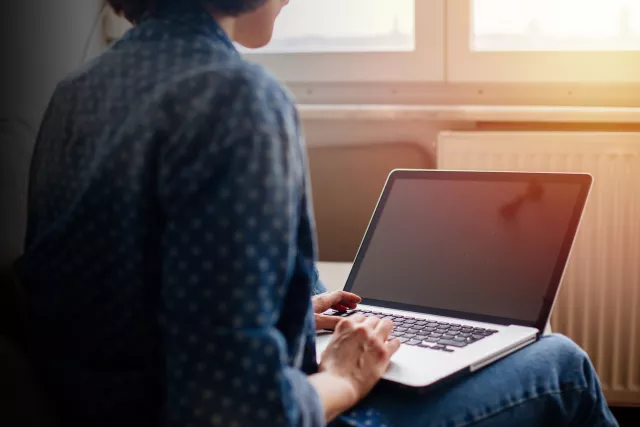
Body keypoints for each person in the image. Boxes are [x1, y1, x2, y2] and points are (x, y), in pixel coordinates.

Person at [15, 0, 618, 426]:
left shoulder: (77, 91)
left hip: (97, 404)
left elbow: (110, 293)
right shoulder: (235, 97)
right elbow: (234, 413)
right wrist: (344, 379)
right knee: (560, 363)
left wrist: (288, 316)